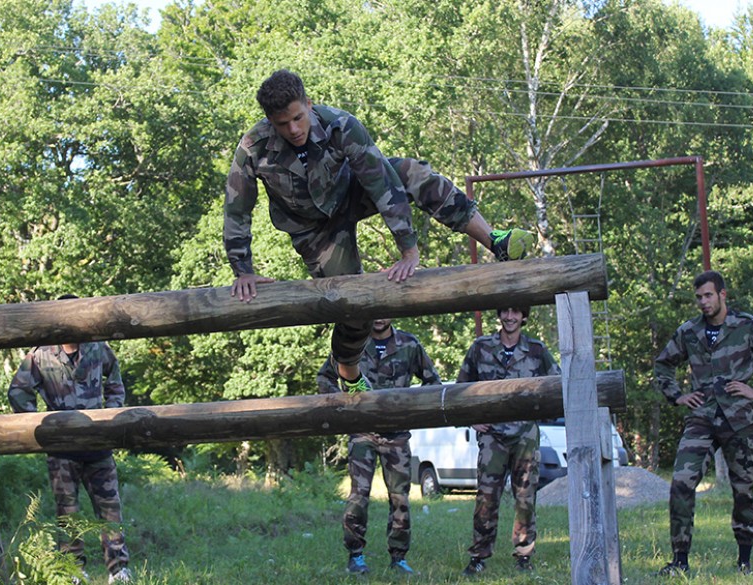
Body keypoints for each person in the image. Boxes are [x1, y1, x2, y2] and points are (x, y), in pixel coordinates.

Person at [226, 69, 535, 396]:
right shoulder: (254, 147)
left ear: (309, 104)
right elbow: (237, 208)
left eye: (298, 118)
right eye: (282, 124)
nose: (293, 129)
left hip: (351, 193)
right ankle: (349, 374)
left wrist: (408, 249)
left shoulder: (340, 125)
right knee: (352, 303)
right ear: (269, 122)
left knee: (413, 173)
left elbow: (381, 182)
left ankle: (494, 240)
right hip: (312, 229)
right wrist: (242, 270)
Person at [653, 270, 753, 576]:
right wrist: (677, 396)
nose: (703, 302)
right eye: (698, 297)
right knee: (681, 483)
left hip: (739, 419)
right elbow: (663, 364)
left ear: (722, 294)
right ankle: (680, 561)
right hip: (701, 417)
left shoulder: (747, 326)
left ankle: (744, 561)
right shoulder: (689, 331)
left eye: (708, 295)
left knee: (743, 491)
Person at [8, 294, 133, 584]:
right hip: (62, 449)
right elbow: (18, 391)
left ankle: (119, 570)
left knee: (110, 509)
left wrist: (111, 417)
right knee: (67, 513)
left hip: (98, 444)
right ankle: (73, 571)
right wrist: (39, 426)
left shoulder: (97, 347)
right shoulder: (41, 354)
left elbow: (115, 382)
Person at [316, 318, 441, 575]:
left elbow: (433, 383)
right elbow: (325, 377)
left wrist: (410, 408)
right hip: (362, 432)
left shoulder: (409, 344)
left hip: (397, 435)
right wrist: (343, 405)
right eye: (375, 312)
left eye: (385, 311)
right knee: (358, 496)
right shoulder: (353, 343)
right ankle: (355, 556)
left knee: (400, 498)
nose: (380, 317)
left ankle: (399, 558)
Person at [457, 306, 559, 576]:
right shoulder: (481, 347)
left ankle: (524, 555)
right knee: (486, 498)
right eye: (506, 312)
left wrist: (541, 414)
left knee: (525, 497)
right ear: (499, 315)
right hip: (492, 437)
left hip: (525, 435)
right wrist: (471, 419)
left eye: (516, 312)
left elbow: (557, 385)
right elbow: (461, 388)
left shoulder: (536, 350)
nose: (510, 317)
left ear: (524, 316)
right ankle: (479, 556)